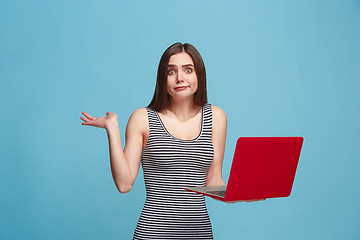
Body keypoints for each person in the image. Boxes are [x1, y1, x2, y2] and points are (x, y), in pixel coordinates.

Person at [80, 43, 260, 239]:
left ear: (199, 75)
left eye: (188, 70)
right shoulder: (143, 118)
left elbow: (213, 182)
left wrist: (242, 194)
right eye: (171, 72)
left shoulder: (216, 117)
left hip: (198, 233)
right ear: (162, 79)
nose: (180, 78)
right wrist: (112, 128)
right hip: (153, 233)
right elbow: (124, 184)